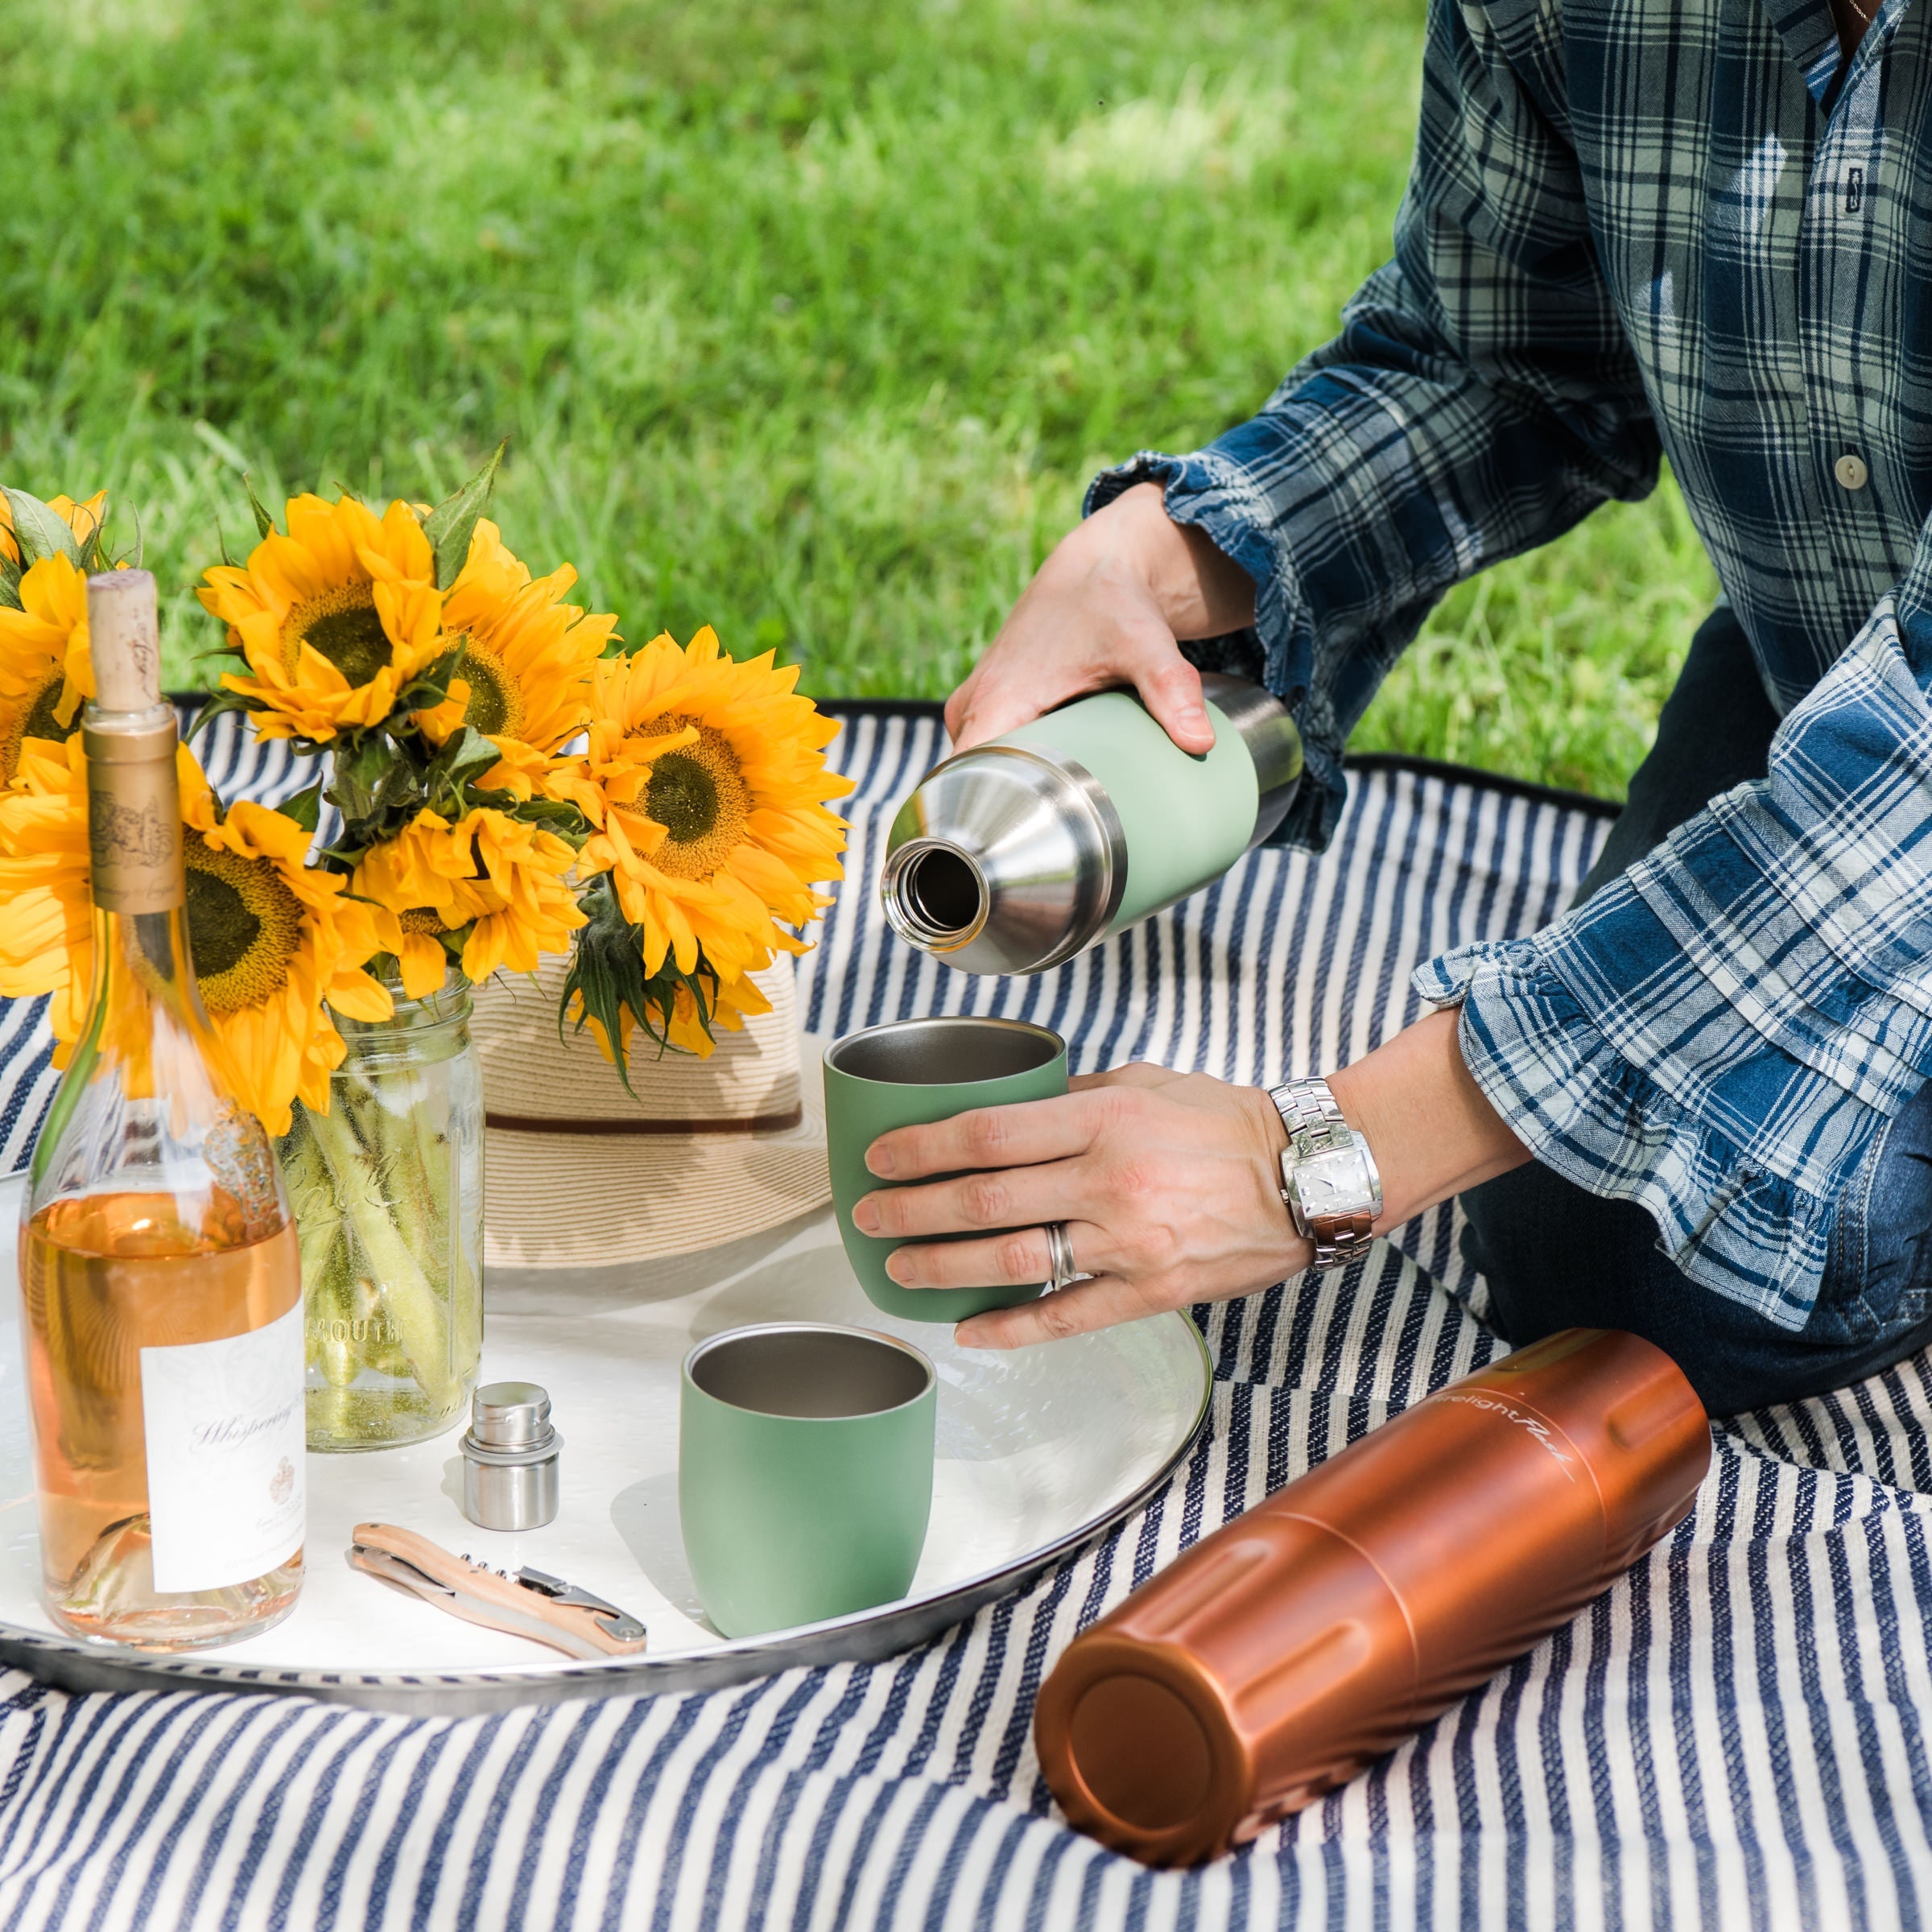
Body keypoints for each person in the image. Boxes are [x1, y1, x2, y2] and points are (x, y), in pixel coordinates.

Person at [850, 0, 1932, 1415]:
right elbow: (1503, 361)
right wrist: (1183, 549)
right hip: (1830, 638)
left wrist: (1309, 1155)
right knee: (1605, 1239)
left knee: (1715, 1253)